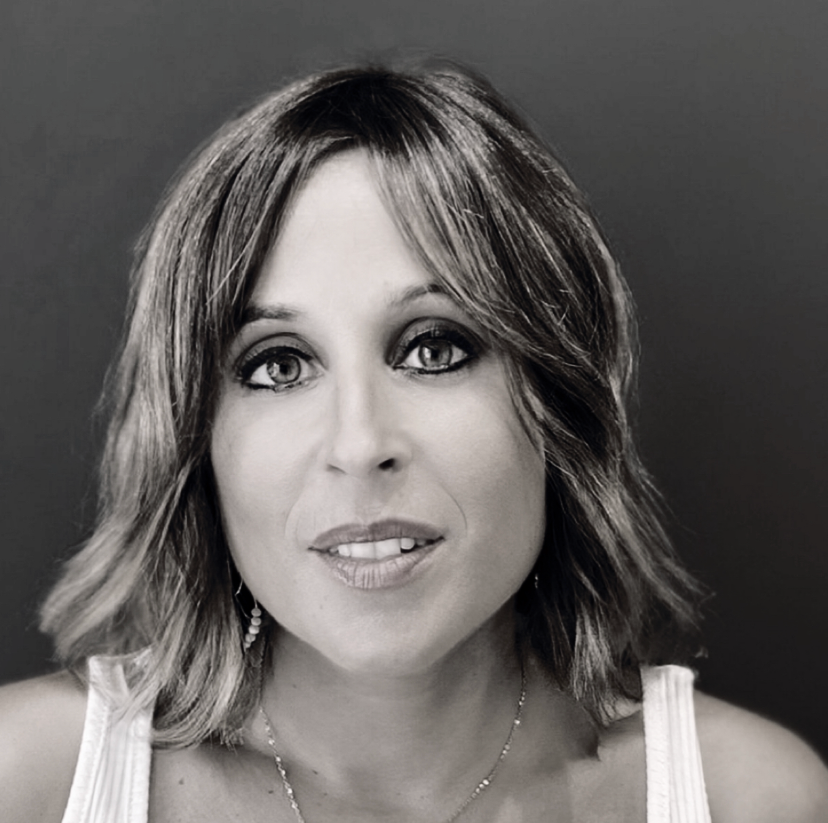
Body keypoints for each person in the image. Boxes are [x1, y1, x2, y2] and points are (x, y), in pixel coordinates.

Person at [1, 61, 826, 823]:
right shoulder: (28, 782)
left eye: (434, 348)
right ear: (195, 436)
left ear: (559, 398)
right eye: (278, 365)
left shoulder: (750, 799)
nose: (360, 443)